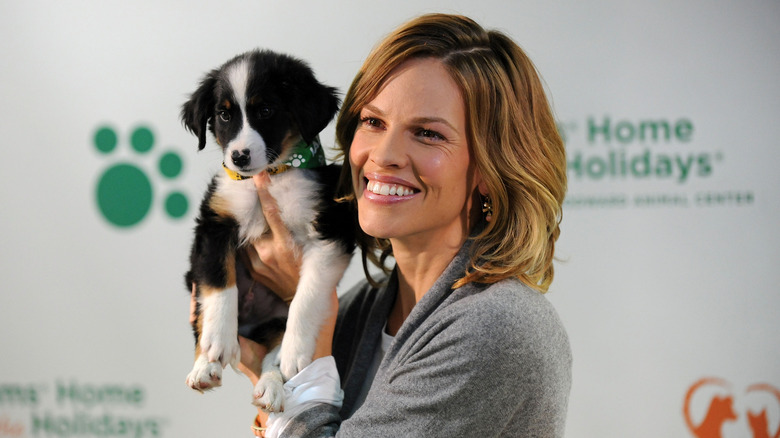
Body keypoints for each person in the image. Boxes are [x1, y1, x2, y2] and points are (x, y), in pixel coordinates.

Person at [208, 13, 571, 437]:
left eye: (428, 134)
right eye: (373, 122)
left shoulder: (497, 328)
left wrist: (313, 324)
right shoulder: (367, 305)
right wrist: (264, 361)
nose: (383, 155)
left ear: (494, 169)